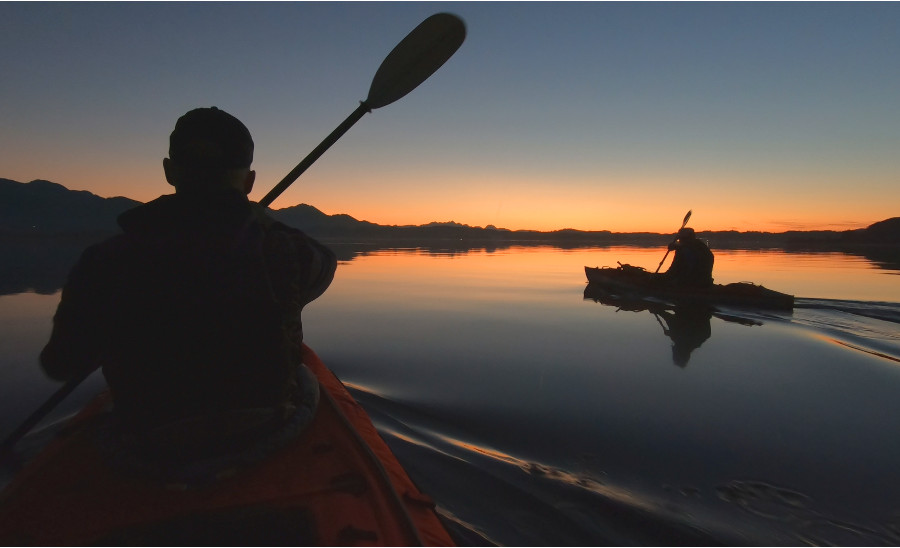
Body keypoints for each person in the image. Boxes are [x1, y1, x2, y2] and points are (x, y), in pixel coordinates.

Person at [40, 107, 337, 438]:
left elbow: (60, 364)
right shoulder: (286, 252)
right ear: (250, 181)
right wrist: (256, 219)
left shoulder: (104, 261)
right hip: (264, 432)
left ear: (169, 171)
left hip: (147, 442)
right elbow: (326, 265)